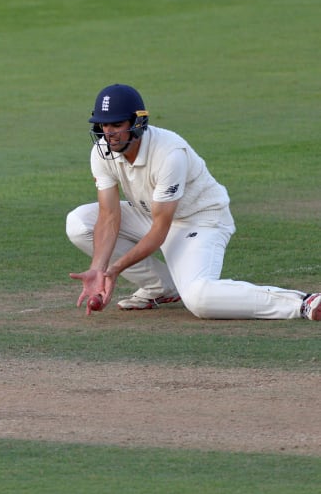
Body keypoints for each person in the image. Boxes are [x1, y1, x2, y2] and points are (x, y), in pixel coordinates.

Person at [67, 83, 320, 320]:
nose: (109, 134)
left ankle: (302, 302)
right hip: (150, 212)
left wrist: (115, 269)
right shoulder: (102, 152)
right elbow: (109, 215)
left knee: (199, 299)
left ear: (137, 122)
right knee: (79, 223)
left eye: (116, 125)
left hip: (199, 221)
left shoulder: (169, 153)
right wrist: (98, 269)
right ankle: (161, 287)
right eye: (104, 126)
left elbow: (159, 231)